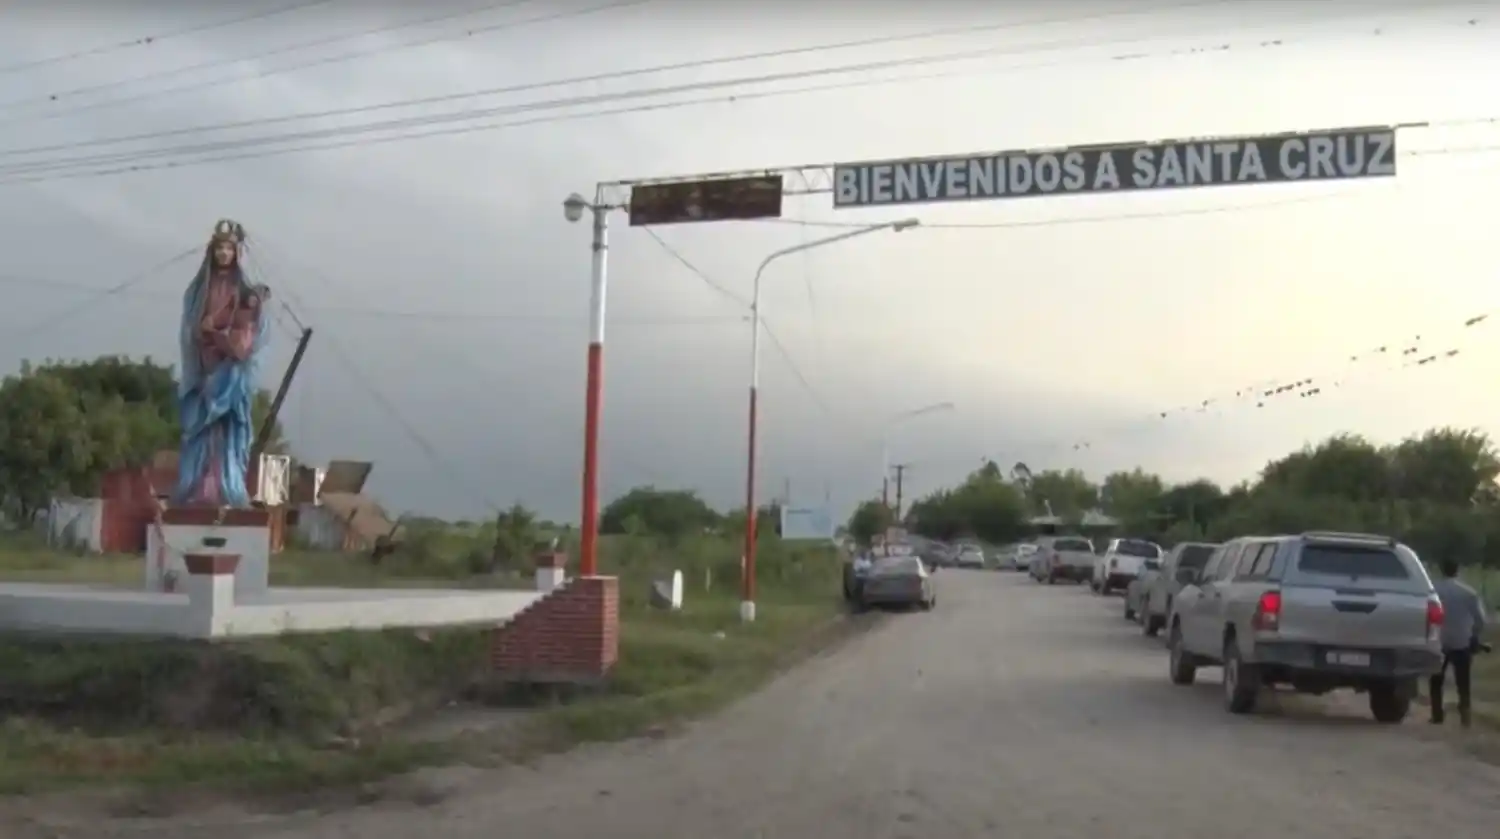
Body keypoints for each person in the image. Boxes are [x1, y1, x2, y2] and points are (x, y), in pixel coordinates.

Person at [173, 219, 272, 507]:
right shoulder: (198, 291)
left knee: (231, 431)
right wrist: (205, 332)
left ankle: (229, 489)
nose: (224, 254)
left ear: (236, 253)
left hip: (231, 372)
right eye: (220, 248)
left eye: (229, 248)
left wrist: (227, 336)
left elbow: (251, 331)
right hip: (205, 368)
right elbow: (191, 328)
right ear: (212, 252)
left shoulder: (243, 292)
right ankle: (194, 489)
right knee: (200, 429)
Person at [1429, 558, 1489, 727]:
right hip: (1462, 640)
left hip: (1438, 640)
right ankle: (1465, 716)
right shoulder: (1468, 593)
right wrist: (1474, 635)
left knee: (1436, 680)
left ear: (1441, 569)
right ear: (1458, 570)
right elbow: (1480, 619)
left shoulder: (1433, 590)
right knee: (1463, 681)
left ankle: (1437, 714)